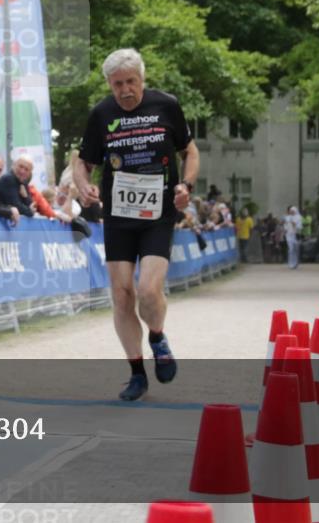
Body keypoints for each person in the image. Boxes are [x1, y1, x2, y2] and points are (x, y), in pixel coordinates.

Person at [73, 48, 199, 401]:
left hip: (158, 214)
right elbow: (83, 162)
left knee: (147, 291)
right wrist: (83, 185)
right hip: (118, 216)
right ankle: (136, 374)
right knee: (122, 294)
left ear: (142, 79)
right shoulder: (101, 114)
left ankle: (157, 335)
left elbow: (190, 150)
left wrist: (185, 186)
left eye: (131, 82)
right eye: (117, 85)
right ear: (109, 85)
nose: (125, 90)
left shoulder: (166, 105)